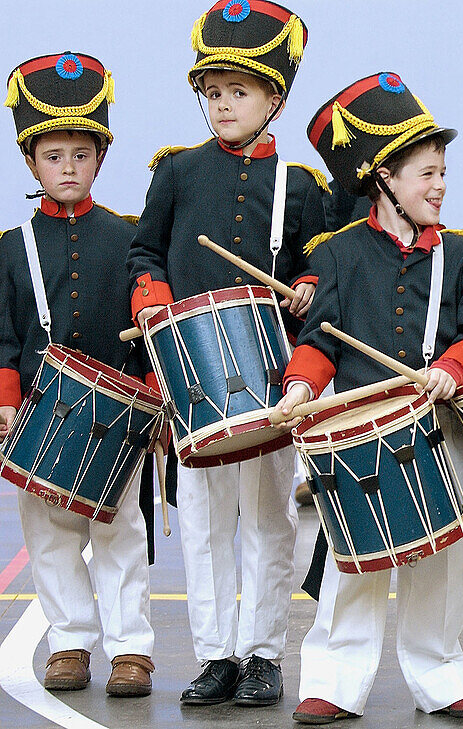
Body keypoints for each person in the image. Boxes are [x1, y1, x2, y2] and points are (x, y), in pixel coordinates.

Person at [275, 71, 463, 725]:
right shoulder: (337, 254)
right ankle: (336, 678)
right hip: (354, 431)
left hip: (437, 428)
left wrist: (452, 370)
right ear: (385, 180)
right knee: (353, 564)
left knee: (439, 564)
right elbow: (318, 342)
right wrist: (299, 387)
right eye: (425, 173)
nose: (439, 185)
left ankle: (442, 669)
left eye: (442, 171)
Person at [126, 1, 327, 707]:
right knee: (206, 523)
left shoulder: (299, 186)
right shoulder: (176, 173)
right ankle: (214, 654)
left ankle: (263, 652)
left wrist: (305, 285)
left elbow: (321, 263)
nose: (222, 105)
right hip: (192, 381)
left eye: (237, 92)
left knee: (271, 518)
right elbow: (145, 251)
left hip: (271, 378)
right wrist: (150, 298)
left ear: (275, 97)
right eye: (212, 94)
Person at [0, 52, 156, 697]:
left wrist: (152, 395)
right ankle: (70, 643)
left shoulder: (128, 237)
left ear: (99, 159)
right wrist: (6, 400)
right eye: (54, 156)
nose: (68, 168)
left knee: (121, 533)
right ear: (31, 162)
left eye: (81, 155)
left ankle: (130, 651)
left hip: (119, 410)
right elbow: (2, 331)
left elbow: (149, 325)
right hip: (40, 409)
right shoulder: (10, 247)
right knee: (49, 534)